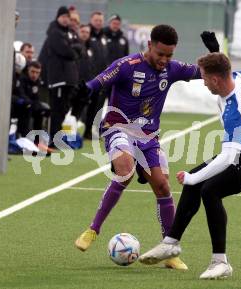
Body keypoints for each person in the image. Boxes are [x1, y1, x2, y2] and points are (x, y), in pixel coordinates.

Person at [74, 25, 219, 271]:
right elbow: (97, 82)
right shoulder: (126, 66)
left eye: (169, 55)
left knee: (163, 186)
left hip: (148, 137)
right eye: (160, 53)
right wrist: (82, 91)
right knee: (125, 169)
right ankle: (92, 230)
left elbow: (210, 72)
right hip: (117, 128)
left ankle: (170, 251)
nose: (164, 60)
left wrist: (215, 52)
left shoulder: (173, 69)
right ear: (149, 45)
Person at [139, 52, 241, 279]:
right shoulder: (239, 77)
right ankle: (171, 243)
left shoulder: (235, 112)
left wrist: (194, 179)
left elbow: (228, 157)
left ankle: (220, 262)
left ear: (215, 80)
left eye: (204, 78)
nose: (202, 82)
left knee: (209, 190)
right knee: (197, 178)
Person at [42, 6, 80, 148]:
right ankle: (53, 139)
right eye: (63, 17)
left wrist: (73, 49)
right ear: (58, 17)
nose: (65, 20)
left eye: (67, 17)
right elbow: (66, 51)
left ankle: (57, 137)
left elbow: (79, 48)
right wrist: (73, 49)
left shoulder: (69, 33)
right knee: (57, 110)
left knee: (63, 109)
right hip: (58, 79)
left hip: (69, 79)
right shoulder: (54, 32)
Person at [84, 11, 108, 139]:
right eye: (96, 20)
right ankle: (85, 130)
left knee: (98, 106)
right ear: (91, 20)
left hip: (102, 78)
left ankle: (93, 130)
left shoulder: (103, 36)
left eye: (100, 20)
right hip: (89, 78)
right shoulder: (87, 34)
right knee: (87, 105)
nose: (98, 22)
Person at [12, 61, 50, 138]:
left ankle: (37, 141)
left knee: (41, 111)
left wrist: (40, 107)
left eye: (37, 72)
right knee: (27, 107)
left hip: (30, 104)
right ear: (28, 70)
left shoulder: (37, 81)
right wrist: (32, 104)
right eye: (32, 72)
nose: (34, 75)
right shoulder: (21, 78)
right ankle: (23, 138)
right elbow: (21, 94)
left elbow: (36, 97)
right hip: (18, 105)